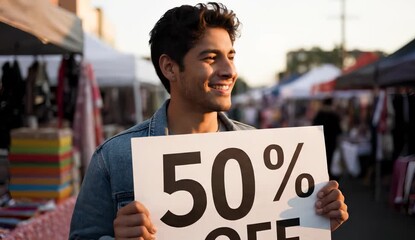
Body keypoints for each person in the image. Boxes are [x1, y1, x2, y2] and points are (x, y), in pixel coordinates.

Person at [69, 3, 349, 239]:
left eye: (230, 56)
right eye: (211, 58)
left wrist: (315, 223)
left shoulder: (260, 150)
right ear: (169, 67)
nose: (228, 70)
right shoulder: (114, 158)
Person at [312, 97, 343, 181]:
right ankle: (329, 180)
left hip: (321, 142)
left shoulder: (319, 114)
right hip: (331, 142)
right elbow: (339, 130)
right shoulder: (334, 115)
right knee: (329, 161)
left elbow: (313, 127)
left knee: (322, 162)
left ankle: (323, 179)